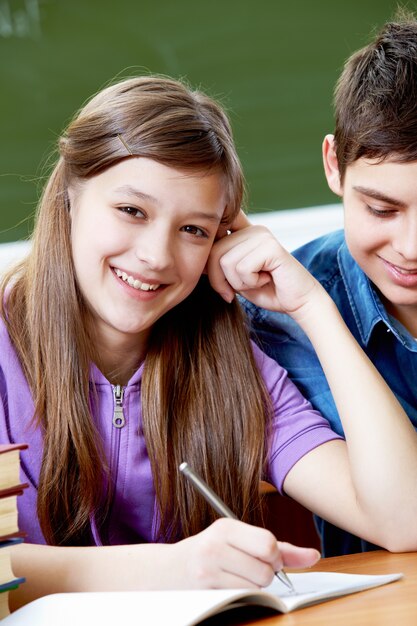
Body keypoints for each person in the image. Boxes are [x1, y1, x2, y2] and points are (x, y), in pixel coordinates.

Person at [1, 75, 417, 612]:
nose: (155, 255)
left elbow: (404, 518)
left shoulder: (232, 360)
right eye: (132, 211)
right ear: (69, 197)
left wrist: (313, 308)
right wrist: (168, 568)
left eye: (194, 229)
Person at [243, 11, 417, 556]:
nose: (411, 247)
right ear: (333, 166)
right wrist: (314, 308)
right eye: (381, 208)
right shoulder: (278, 315)